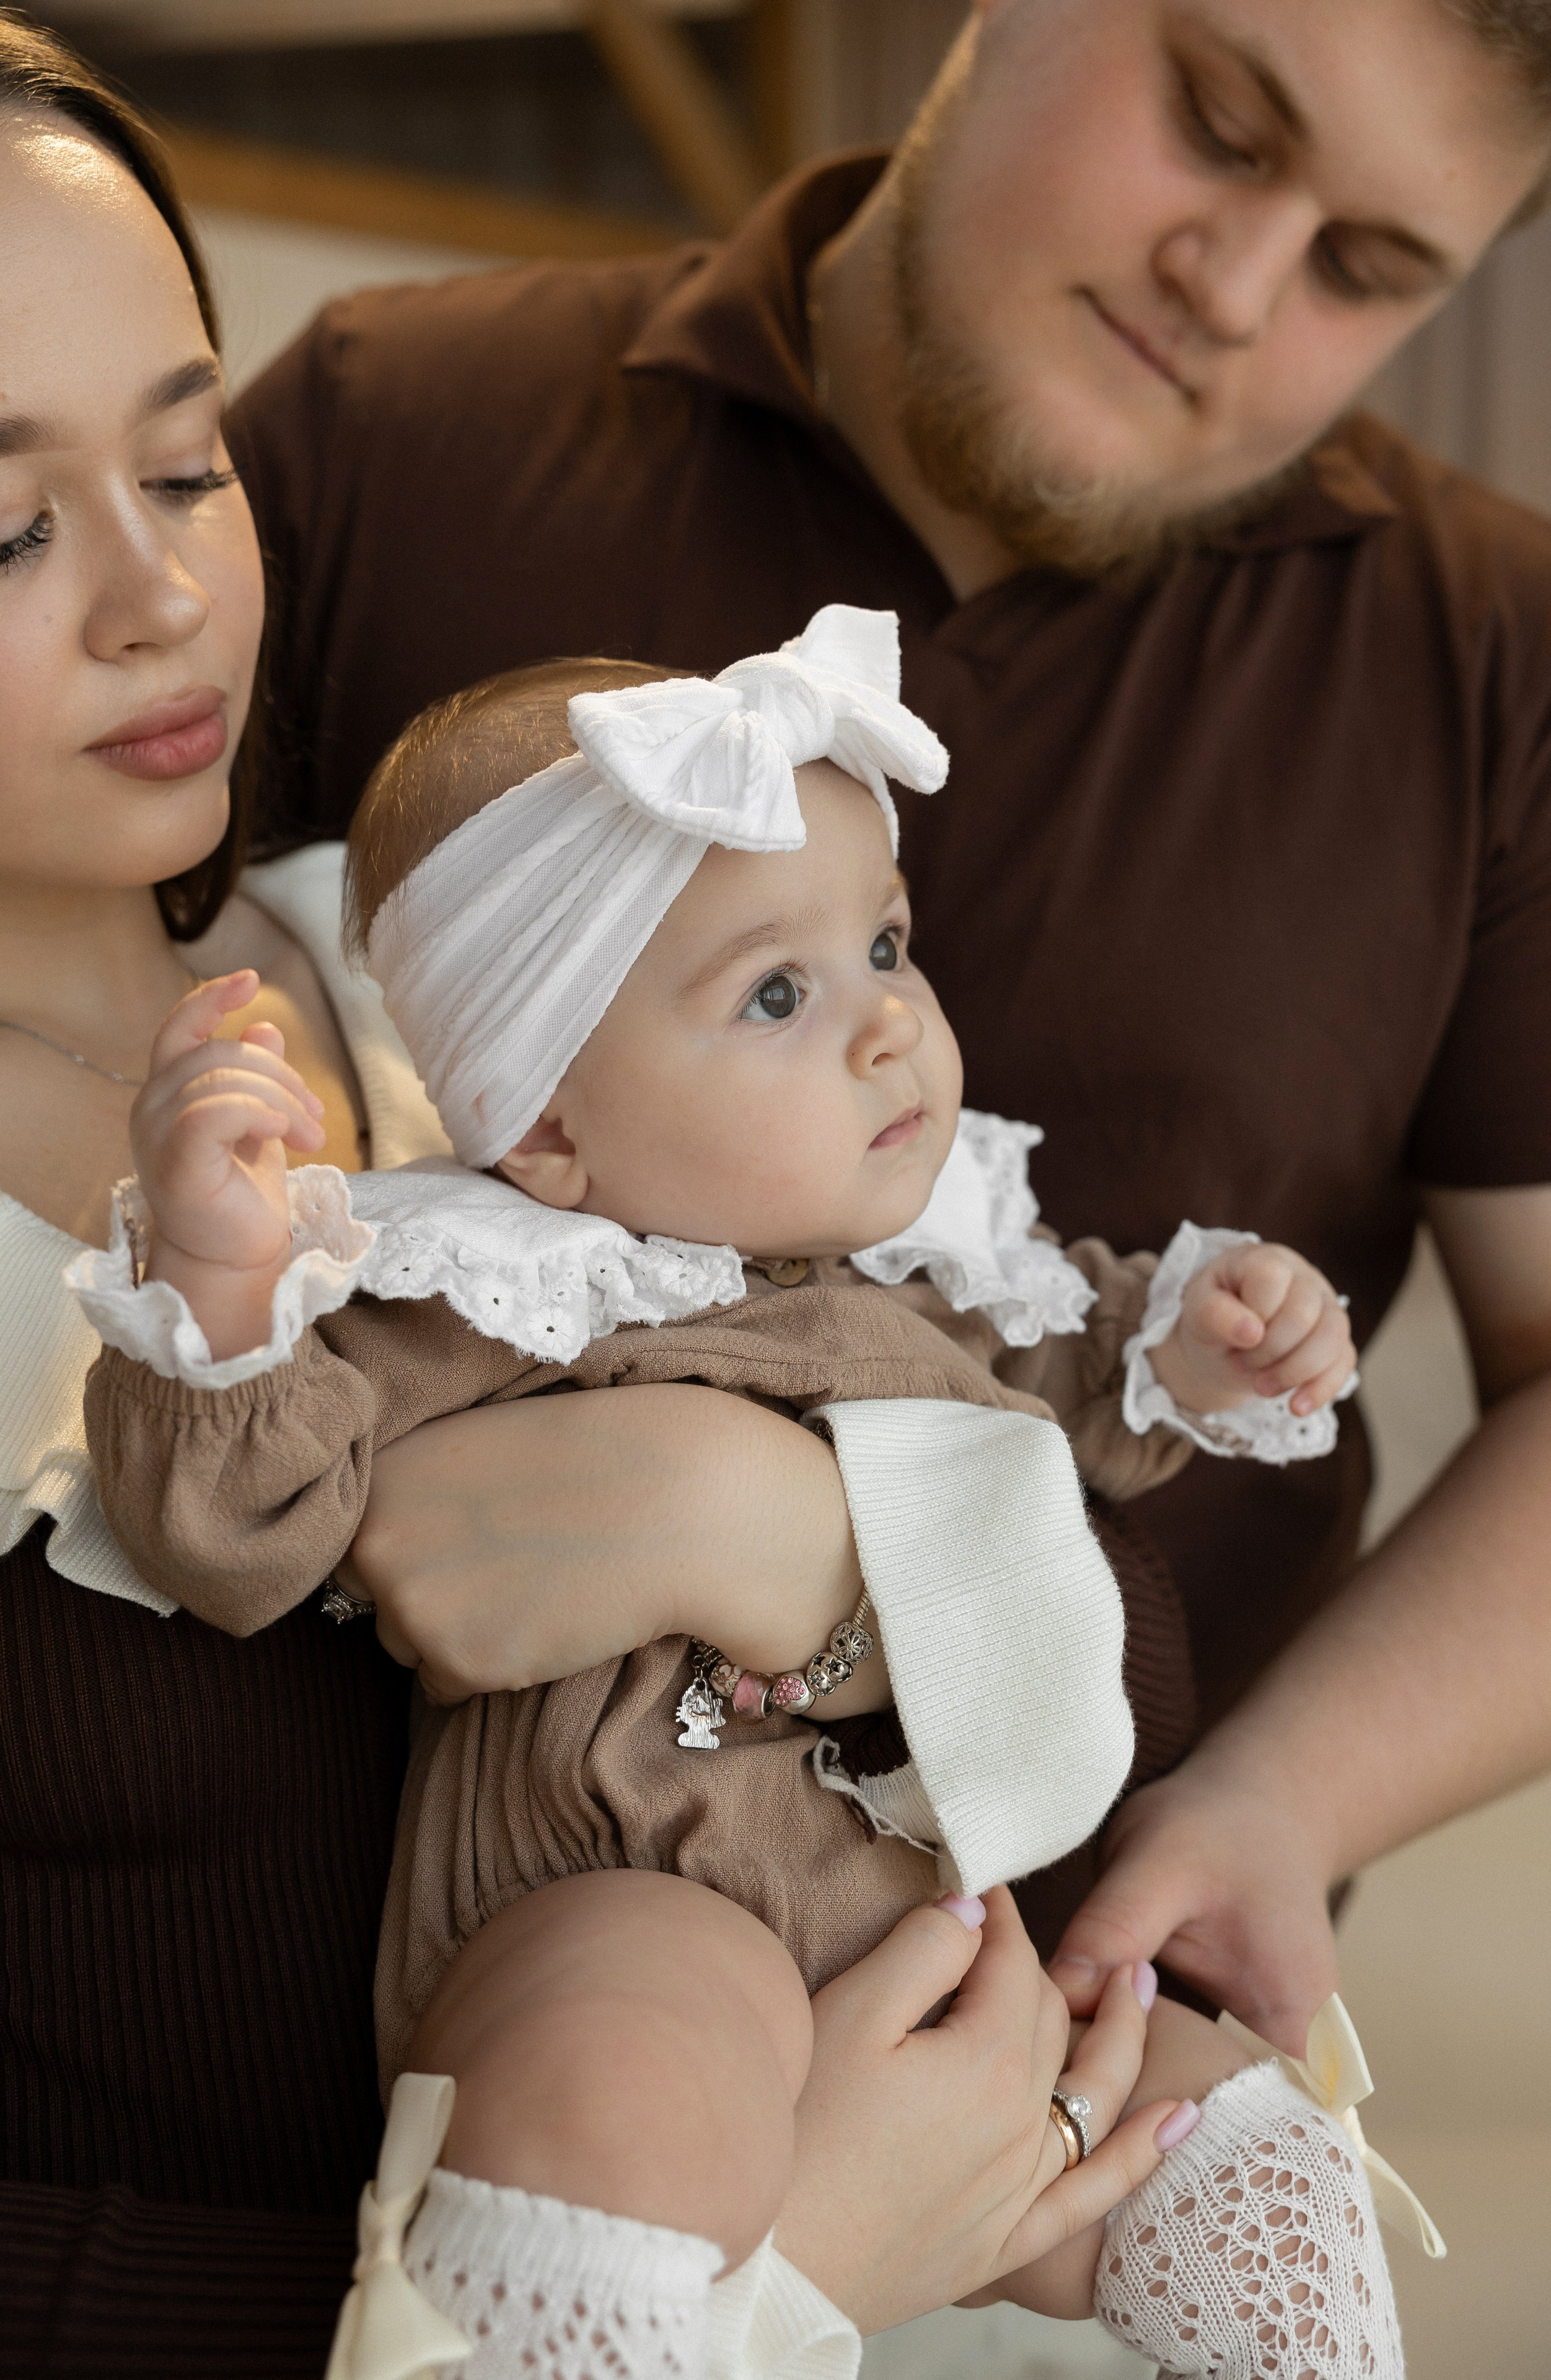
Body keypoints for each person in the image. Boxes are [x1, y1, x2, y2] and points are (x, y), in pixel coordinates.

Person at [229, 0, 1551, 2055]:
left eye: (1368, 267)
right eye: (1221, 124)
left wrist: (1284, 1805)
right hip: (419, 2000)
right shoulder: (389, 431)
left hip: (1082, 2009)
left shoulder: (1509, 666)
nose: (1235, 286)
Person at [0, 24, 1182, 2376]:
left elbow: (1083, 1583)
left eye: (190, 463)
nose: (161, 599)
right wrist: (786, 2271)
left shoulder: (472, 985)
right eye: (3, 527)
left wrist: (784, 1535)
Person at [76, 619, 1399, 2380]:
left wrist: (1209, 1351)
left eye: (885, 945)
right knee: (625, 2106)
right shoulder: (483, 1284)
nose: (890, 1026)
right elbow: (239, 1521)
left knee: (1242, 2144)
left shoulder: (923, 1274)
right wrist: (222, 1290)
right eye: (781, 995)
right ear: (547, 1129)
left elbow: (1085, 1401)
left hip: (924, 1927)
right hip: (620, 1890)